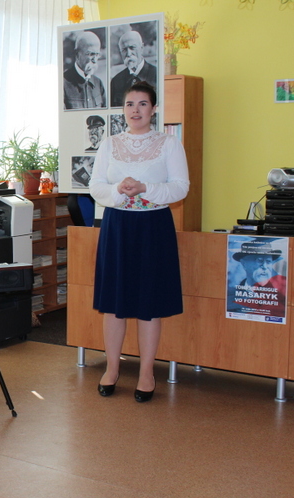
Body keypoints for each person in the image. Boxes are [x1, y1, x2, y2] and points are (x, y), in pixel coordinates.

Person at [89, 81, 189, 403]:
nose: (136, 110)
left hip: (153, 228)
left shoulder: (169, 144)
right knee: (114, 304)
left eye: (143, 104)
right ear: (123, 109)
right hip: (117, 226)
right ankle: (112, 369)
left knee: (148, 303)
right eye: (130, 104)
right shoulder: (109, 144)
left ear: (154, 109)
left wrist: (145, 187)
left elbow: (181, 187)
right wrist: (118, 189)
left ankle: (147, 373)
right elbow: (96, 186)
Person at [227, 241, 287, 316]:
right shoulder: (230, 295)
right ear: (244, 264)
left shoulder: (282, 295)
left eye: (268, 261)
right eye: (260, 261)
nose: (265, 266)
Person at [110, 31, 157, 107]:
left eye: (132, 48)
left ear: (141, 48)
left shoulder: (156, 75)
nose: (129, 54)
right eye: (124, 50)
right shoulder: (116, 81)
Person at [63, 31, 107, 109]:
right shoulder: (63, 84)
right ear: (77, 54)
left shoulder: (98, 83)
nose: (95, 60)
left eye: (97, 54)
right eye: (91, 54)